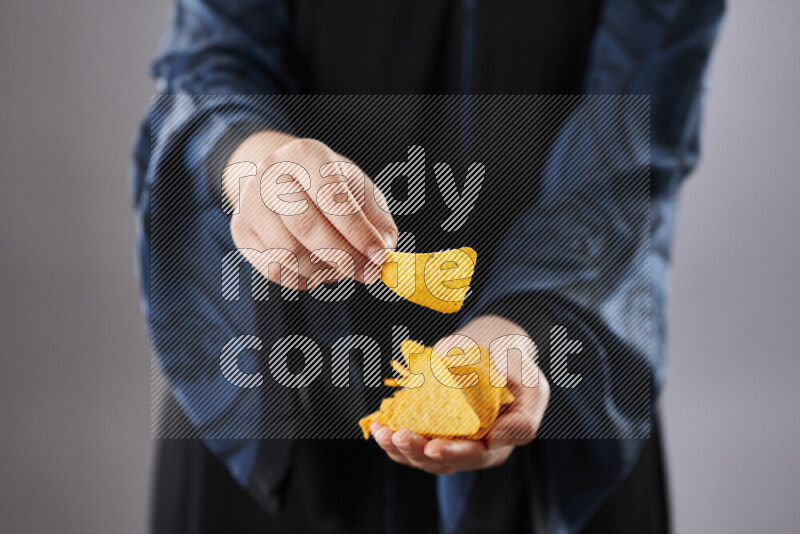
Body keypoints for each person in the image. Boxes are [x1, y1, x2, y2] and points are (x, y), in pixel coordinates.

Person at [133, 1, 725, 532]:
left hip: (548, 391)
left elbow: (629, 143)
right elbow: (208, 64)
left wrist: (519, 325)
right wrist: (256, 164)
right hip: (272, 399)